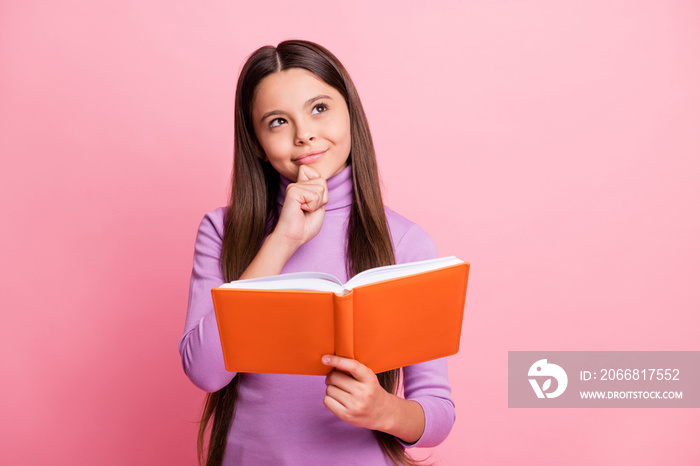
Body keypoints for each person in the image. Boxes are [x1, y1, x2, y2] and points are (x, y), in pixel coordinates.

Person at [179, 40, 455, 466]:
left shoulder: (405, 241)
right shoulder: (222, 230)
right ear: (255, 141)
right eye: (277, 121)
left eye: (319, 108)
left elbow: (437, 414)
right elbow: (206, 371)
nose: (304, 133)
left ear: (351, 113)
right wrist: (282, 240)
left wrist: (383, 410)